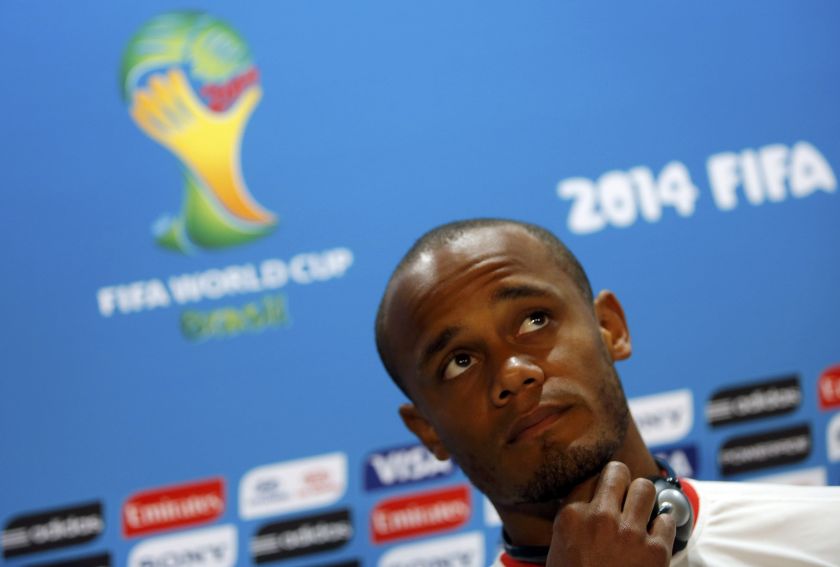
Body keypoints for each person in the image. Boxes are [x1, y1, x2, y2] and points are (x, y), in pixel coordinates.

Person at [374, 218, 840, 567]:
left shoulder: (825, 533)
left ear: (610, 328)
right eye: (459, 362)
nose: (513, 374)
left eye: (535, 320)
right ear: (426, 429)